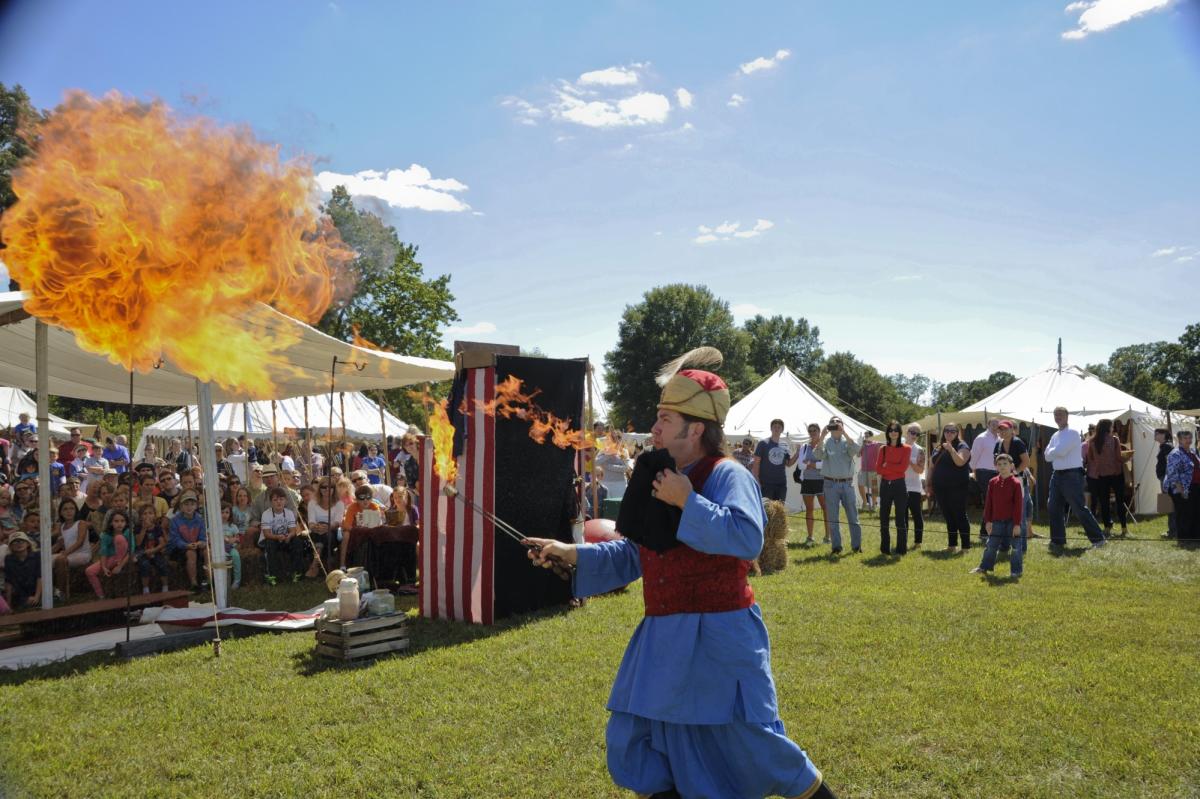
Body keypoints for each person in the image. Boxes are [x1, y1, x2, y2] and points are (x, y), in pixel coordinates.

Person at [525, 348, 837, 799]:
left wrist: (687, 501)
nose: (653, 429)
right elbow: (636, 555)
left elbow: (747, 539)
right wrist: (571, 553)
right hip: (662, 637)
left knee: (752, 746)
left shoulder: (728, 474)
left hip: (720, 635)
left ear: (695, 429)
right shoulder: (661, 475)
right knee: (637, 741)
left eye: (664, 420)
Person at [1045, 407, 1107, 550]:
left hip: (1072, 475)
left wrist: (1054, 451)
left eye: (1060, 414)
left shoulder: (1073, 433)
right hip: (1057, 475)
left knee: (1078, 508)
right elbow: (1047, 456)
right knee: (1053, 507)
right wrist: (1055, 451)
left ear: (1067, 416)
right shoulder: (1055, 435)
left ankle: (1098, 539)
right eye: (1055, 414)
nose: (1057, 417)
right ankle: (1058, 540)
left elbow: (1060, 452)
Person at [970, 453, 1026, 578]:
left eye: (1005, 464)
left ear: (1011, 466)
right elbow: (988, 503)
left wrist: (1017, 524)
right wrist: (988, 521)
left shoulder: (1016, 483)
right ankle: (984, 567)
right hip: (996, 522)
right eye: (999, 464)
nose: (1002, 467)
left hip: (1012, 522)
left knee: (1016, 547)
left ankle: (1016, 571)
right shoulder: (992, 482)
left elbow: (1018, 506)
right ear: (996, 467)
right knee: (991, 545)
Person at [814, 416, 862, 554]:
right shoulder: (826, 442)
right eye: (832, 424)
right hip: (830, 484)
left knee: (853, 516)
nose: (835, 425)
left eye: (838, 423)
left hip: (847, 484)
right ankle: (836, 547)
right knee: (833, 517)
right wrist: (822, 436)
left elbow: (856, 450)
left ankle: (856, 546)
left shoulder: (847, 442)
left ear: (842, 426)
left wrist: (844, 433)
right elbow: (818, 455)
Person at [1084, 419, 1132, 537]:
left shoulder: (1092, 441)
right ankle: (1124, 528)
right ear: (1108, 428)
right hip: (1116, 473)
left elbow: (1090, 459)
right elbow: (1118, 457)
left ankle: (1107, 528)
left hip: (1101, 475)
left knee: (1104, 502)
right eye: (1112, 426)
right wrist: (1128, 458)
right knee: (1120, 502)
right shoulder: (1114, 440)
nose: (1113, 428)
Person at [931, 423, 972, 552]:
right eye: (947, 430)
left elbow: (960, 462)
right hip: (940, 487)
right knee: (948, 515)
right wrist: (928, 483)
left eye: (953, 431)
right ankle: (952, 545)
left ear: (957, 432)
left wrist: (951, 450)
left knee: (959, 515)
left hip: (957, 487)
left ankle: (965, 547)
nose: (949, 433)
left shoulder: (962, 446)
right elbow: (932, 465)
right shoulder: (938, 447)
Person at [993, 421, 1033, 542]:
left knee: (1020, 512)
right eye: (1000, 430)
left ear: (1012, 430)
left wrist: (1014, 473)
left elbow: (1026, 461)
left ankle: (1021, 544)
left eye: (1005, 429)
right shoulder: (998, 444)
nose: (1003, 432)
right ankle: (1008, 541)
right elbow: (996, 463)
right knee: (1007, 510)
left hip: (1019, 480)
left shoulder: (1017, 442)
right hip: (1005, 481)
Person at [875, 421, 911, 555]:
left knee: (900, 519)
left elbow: (903, 468)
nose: (893, 432)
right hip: (885, 485)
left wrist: (887, 465)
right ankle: (885, 549)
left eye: (896, 430)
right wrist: (890, 467)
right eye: (891, 430)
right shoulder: (882, 449)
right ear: (888, 433)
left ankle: (901, 549)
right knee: (883, 517)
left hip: (899, 485)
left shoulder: (907, 448)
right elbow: (878, 469)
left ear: (900, 432)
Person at [260, 486, 303, 584]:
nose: (278, 502)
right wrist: (277, 537)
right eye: (275, 500)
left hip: (285, 539)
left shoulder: (289, 513)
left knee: (297, 542)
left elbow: (293, 530)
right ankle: (272, 575)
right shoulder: (266, 514)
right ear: (271, 502)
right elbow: (266, 534)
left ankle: (296, 572)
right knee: (269, 544)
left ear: (285, 501)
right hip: (272, 539)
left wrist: (289, 536)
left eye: (281, 499)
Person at [85, 509, 132, 598]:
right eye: (116, 521)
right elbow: (104, 551)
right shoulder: (106, 534)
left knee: (119, 538)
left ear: (126, 523)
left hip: (123, 558)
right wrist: (104, 567)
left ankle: (118, 562)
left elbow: (131, 550)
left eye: (122, 521)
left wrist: (119, 566)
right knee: (89, 571)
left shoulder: (128, 532)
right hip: (110, 559)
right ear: (111, 523)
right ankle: (101, 595)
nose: (119, 523)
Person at [1163, 430, 1200, 541]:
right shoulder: (1175, 454)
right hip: (1181, 487)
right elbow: (1172, 474)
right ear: (1179, 440)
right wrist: (1181, 490)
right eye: (1185, 438)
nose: (1188, 440)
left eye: (1189, 438)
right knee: (1184, 513)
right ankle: (1184, 538)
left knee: (1195, 511)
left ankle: (1195, 536)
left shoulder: (1193, 451)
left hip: (1195, 486)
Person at [167, 492, 207, 591]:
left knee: (207, 552)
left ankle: (209, 581)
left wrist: (200, 543)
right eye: (186, 504)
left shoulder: (200, 519)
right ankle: (194, 583)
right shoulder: (175, 521)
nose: (189, 507)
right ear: (181, 506)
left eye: (192, 504)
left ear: (196, 506)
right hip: (178, 549)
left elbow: (203, 537)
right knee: (191, 553)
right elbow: (174, 540)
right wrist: (186, 545)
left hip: (194, 545)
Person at [51, 498, 91, 598]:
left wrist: (65, 553)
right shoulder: (61, 526)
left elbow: (80, 542)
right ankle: (49, 589)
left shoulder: (81, 523)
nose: (69, 511)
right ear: (60, 512)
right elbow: (60, 544)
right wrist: (44, 554)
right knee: (45, 560)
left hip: (82, 554)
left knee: (60, 559)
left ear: (75, 510)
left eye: (71, 508)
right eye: (65, 509)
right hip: (69, 553)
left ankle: (62, 592)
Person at [751, 419, 799, 502]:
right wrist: (757, 480)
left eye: (779, 427)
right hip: (765, 483)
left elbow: (788, 463)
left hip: (781, 483)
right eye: (774, 427)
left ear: (782, 430)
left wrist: (797, 453)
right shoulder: (763, 443)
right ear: (771, 429)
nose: (776, 429)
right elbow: (756, 463)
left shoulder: (785, 444)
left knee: (779, 511)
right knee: (767, 510)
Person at [797, 424, 829, 546]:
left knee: (826, 509)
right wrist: (816, 464)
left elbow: (825, 464)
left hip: (822, 481)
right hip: (808, 481)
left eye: (814, 430)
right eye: (810, 431)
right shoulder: (804, 447)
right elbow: (800, 466)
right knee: (809, 510)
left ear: (819, 431)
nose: (812, 432)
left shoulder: (825, 446)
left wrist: (810, 463)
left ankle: (827, 537)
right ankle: (810, 537)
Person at [340, 484, 385, 569]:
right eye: (362, 498)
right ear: (357, 499)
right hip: (354, 533)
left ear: (371, 498)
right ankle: (342, 564)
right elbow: (346, 526)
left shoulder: (374, 506)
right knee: (346, 535)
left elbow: (379, 525)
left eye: (368, 497)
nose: (365, 500)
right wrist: (359, 529)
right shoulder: (352, 507)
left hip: (372, 532)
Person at [969, 419, 1001, 540]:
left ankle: (986, 532)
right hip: (983, 472)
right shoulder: (981, 438)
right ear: (988, 425)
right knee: (990, 500)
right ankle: (984, 532)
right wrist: (973, 471)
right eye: (993, 424)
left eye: (997, 425)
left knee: (992, 501)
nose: (995, 426)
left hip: (996, 472)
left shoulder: (999, 438)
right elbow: (973, 455)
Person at [134, 506, 170, 594]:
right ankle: (145, 588)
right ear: (140, 517)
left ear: (154, 515)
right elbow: (138, 543)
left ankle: (165, 586)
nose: (147, 516)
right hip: (142, 552)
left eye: (150, 513)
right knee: (144, 565)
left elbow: (162, 543)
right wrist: (144, 529)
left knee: (162, 564)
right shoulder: (138, 528)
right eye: (144, 514)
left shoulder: (157, 528)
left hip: (155, 551)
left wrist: (154, 550)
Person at [4, 531, 42, 610]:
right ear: (10, 547)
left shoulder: (37, 555)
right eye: (14, 542)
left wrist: (36, 596)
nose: (18, 544)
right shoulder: (8, 559)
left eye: (21, 541)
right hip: (21, 594)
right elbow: (9, 581)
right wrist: (8, 605)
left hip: (39, 590)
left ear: (28, 543)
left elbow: (40, 576)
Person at [904, 424, 926, 548]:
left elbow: (920, 470)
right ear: (907, 432)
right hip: (900, 485)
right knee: (902, 516)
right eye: (912, 432)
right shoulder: (899, 446)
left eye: (917, 434)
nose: (914, 436)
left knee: (916, 515)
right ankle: (903, 541)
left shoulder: (919, 450)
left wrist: (911, 463)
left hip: (914, 487)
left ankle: (918, 542)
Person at [1155, 428, 1175, 539]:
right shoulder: (1164, 446)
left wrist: (1167, 479)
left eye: (1157, 433)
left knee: (1169, 505)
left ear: (1163, 435)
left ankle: (1173, 531)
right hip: (1164, 478)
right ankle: (1172, 530)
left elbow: (1170, 464)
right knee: (1168, 505)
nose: (1155, 435)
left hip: (1167, 478)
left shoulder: (1167, 446)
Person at [219, 504, 242, 590]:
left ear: (230, 514)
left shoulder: (233, 526)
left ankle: (237, 580)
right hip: (219, 549)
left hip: (231, 548)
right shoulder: (215, 526)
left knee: (236, 556)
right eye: (222, 512)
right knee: (223, 559)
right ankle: (223, 582)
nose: (224, 515)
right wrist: (225, 539)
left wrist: (233, 540)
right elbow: (210, 538)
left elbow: (237, 539)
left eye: (227, 512)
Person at [857, 432, 880, 511]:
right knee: (860, 484)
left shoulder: (876, 444)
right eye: (865, 436)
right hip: (863, 469)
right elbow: (858, 455)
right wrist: (863, 445)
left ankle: (874, 504)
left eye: (867, 436)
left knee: (874, 488)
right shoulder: (864, 446)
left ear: (872, 437)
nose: (866, 438)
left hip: (873, 469)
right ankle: (865, 502)